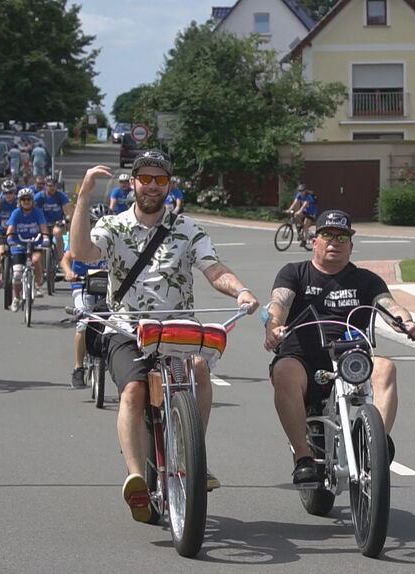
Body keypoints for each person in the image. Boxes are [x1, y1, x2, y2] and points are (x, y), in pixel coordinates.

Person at [69, 150, 259, 522]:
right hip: (128, 327)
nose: (152, 186)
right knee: (133, 391)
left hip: (177, 329)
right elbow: (82, 251)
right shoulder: (114, 225)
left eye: (160, 179)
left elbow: (213, 268)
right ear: (134, 182)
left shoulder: (188, 229)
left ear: (169, 184)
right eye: (146, 178)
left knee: (200, 369)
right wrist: (84, 196)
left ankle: (192, 453)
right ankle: (137, 477)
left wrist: (241, 291)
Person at [263, 209, 415, 484]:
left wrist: (405, 322)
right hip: (303, 357)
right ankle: (303, 458)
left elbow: (389, 305)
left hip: (350, 356)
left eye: (342, 237)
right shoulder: (295, 273)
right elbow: (279, 303)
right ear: (315, 241)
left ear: (351, 245)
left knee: (385, 367)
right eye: (327, 235)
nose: (334, 242)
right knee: (284, 372)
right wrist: (273, 326)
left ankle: (377, 446)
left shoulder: (366, 280)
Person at [62, 203, 110, 389]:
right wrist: (68, 272)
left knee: (117, 323)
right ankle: (78, 367)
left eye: (100, 222)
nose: (96, 225)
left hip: (106, 287)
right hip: (82, 285)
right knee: (83, 321)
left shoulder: (110, 238)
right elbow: (66, 259)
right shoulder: (81, 238)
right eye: (93, 222)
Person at [5, 187, 50, 310]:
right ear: (20, 201)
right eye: (23, 199)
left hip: (35, 243)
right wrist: (10, 239)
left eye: (29, 199)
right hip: (19, 246)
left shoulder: (37, 212)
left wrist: (45, 238)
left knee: (36, 260)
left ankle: (37, 284)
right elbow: (10, 230)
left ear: (32, 201)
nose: (26, 201)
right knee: (17, 273)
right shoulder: (16, 213)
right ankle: (16, 298)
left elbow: (43, 228)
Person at [0, 179, 19, 290]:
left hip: (15, 232)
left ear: (14, 192)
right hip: (0, 231)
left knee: (17, 254)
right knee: (1, 251)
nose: (8, 195)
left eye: (10, 192)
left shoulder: (18, 203)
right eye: (6, 193)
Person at [35, 178, 72, 258]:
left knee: (57, 233)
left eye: (53, 186)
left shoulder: (61, 196)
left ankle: (60, 258)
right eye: (49, 186)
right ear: (45, 186)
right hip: (43, 224)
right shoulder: (39, 196)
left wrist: (66, 220)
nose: (51, 188)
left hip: (57, 223)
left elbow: (68, 211)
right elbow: (32, 209)